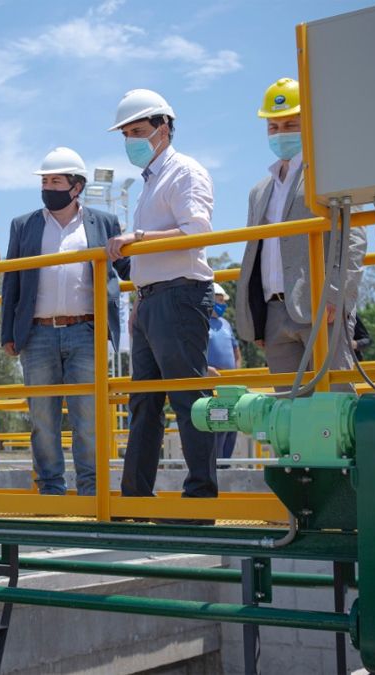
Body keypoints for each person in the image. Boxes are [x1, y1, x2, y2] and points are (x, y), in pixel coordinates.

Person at [103, 89, 218, 505]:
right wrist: (140, 300)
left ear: (163, 128)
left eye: (138, 131)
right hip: (152, 300)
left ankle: (200, 498)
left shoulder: (184, 172)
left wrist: (138, 238)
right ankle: (135, 496)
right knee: (144, 403)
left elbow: (198, 232)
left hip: (181, 294)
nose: (131, 140)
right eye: (126, 134)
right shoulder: (151, 182)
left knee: (188, 399)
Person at [0, 147, 130, 496]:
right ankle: (51, 493)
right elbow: (11, 282)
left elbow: (127, 269)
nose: (48, 187)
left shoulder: (104, 222)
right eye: (44, 181)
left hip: (86, 332)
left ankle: (92, 493)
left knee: (88, 419)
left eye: (55, 181)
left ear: (77, 186)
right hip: (37, 335)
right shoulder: (23, 225)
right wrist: (8, 332)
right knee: (43, 420)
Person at [234, 78, 366, 391]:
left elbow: (353, 238)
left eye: (290, 124)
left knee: (334, 401)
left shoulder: (328, 174)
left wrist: (336, 294)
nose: (281, 133)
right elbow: (257, 255)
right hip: (274, 312)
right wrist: (257, 316)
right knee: (288, 409)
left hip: (320, 306)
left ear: (309, 125)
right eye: (274, 126)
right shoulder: (259, 191)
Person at [206, 283, 240, 460]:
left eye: (223, 301)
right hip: (210, 383)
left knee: (232, 424)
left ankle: (225, 463)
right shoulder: (201, 322)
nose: (222, 305)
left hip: (228, 384)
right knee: (217, 423)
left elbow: (236, 352)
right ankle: (216, 465)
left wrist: (236, 374)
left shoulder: (226, 324)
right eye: (218, 301)